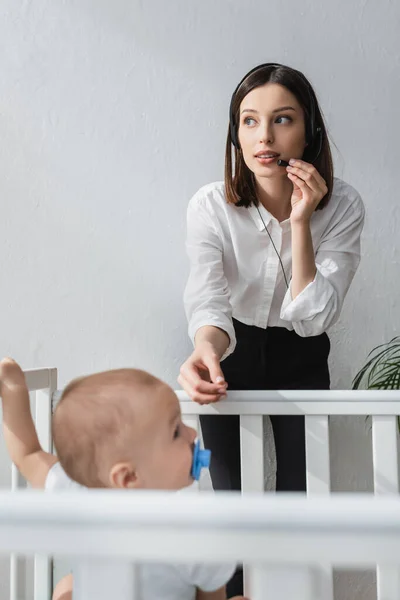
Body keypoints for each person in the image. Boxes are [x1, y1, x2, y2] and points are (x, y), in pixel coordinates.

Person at [179, 62, 365, 494]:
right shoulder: (209, 206)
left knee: (303, 497)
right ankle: (235, 567)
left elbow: (313, 321)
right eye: (249, 121)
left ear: (310, 132)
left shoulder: (344, 207)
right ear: (236, 136)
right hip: (228, 349)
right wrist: (205, 349)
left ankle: (293, 565)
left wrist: (300, 223)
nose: (264, 136)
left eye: (282, 119)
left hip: (302, 355)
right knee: (228, 497)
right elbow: (208, 299)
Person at [0, 357, 248, 600]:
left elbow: (29, 455)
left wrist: (13, 389)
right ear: (128, 477)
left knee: (67, 586)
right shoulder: (194, 530)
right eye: (176, 431)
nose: (193, 432)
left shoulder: (76, 496)